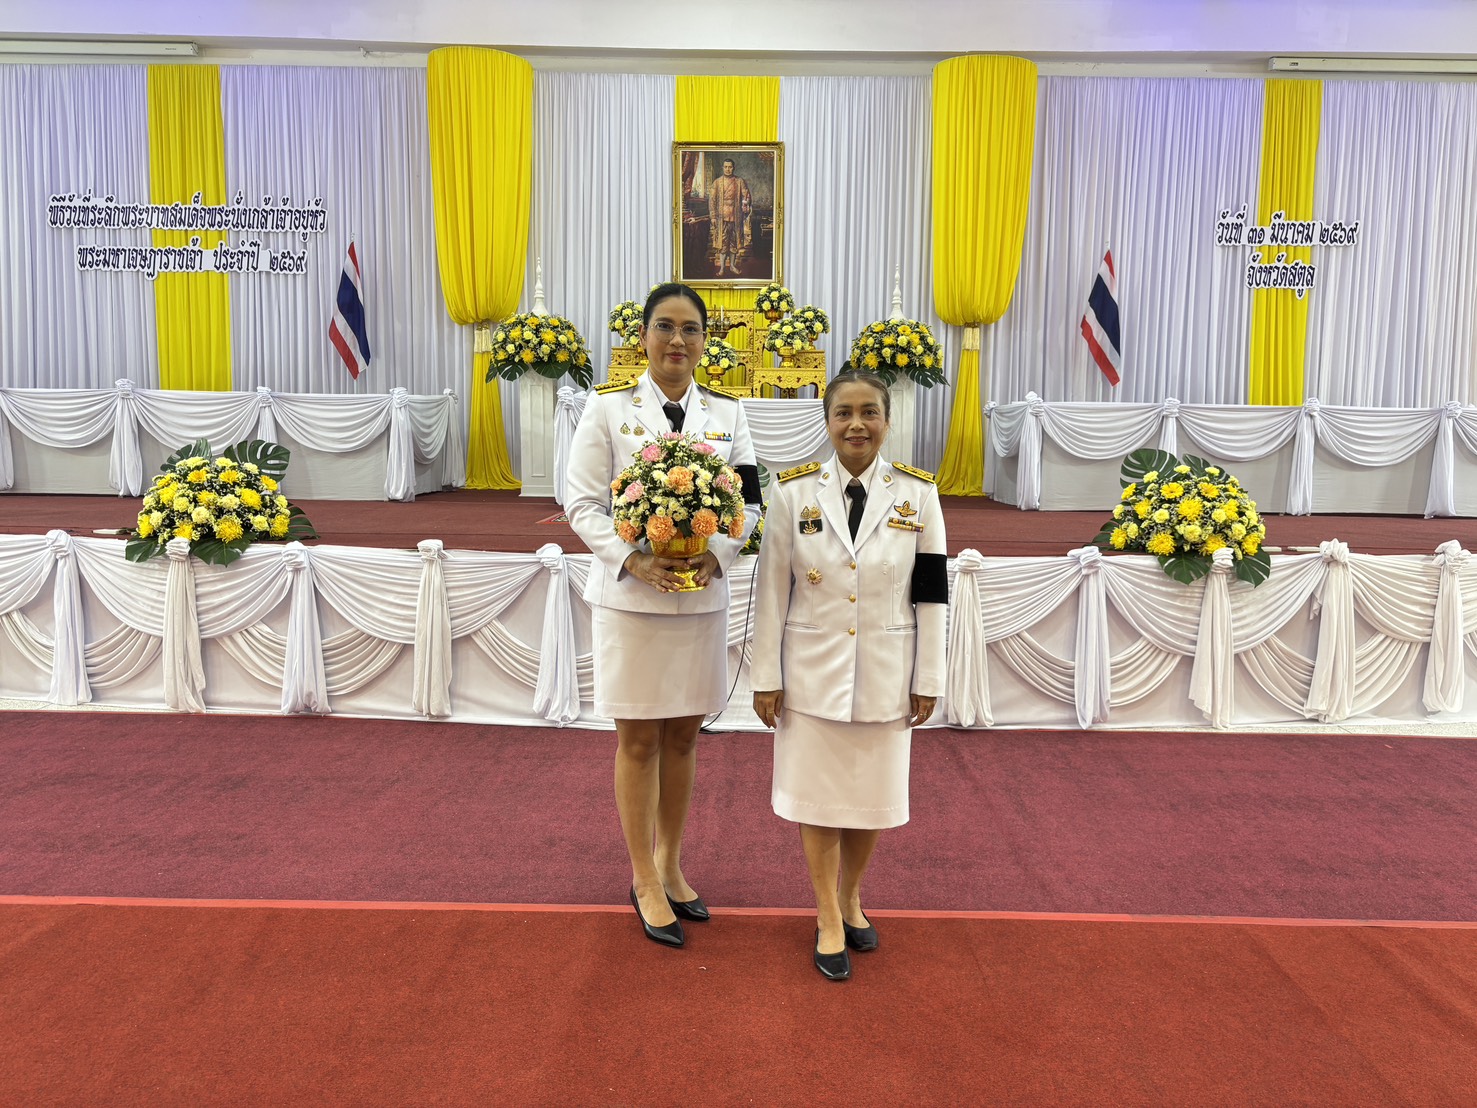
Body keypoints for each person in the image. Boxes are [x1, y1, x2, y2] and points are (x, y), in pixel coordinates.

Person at [565, 282, 763, 948]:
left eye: (689, 330)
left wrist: (721, 554)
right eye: (663, 327)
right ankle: (641, 876)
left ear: (706, 342)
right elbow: (581, 503)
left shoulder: (729, 416)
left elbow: (752, 501)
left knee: (683, 738)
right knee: (640, 740)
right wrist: (630, 559)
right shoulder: (606, 411)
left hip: (699, 598)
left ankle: (672, 863)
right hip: (631, 601)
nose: (676, 341)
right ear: (641, 338)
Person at [750, 370, 948, 981]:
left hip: (888, 670)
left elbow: (932, 592)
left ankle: (852, 895)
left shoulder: (919, 495)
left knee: (868, 800)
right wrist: (765, 674)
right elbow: (770, 592)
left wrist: (930, 675)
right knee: (820, 797)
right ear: (827, 421)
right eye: (843, 413)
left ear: (887, 421)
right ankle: (826, 913)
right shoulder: (793, 493)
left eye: (869, 412)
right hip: (811, 672)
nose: (856, 424)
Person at [709, 158, 751, 277]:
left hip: (736, 217)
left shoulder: (739, 181)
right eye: (726, 167)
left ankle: (732, 266)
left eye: (730, 167)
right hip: (721, 218)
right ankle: (722, 268)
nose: (728, 169)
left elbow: (746, 195)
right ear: (723, 168)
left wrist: (745, 203)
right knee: (722, 244)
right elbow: (712, 200)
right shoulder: (717, 182)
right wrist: (713, 216)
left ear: (733, 168)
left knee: (733, 244)